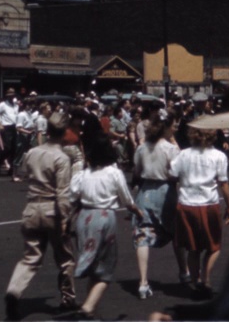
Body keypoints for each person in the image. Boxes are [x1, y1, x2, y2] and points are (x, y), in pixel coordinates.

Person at [4, 112, 78, 321]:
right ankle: (68, 298)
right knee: (65, 258)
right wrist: (65, 218)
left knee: (30, 257)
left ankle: (14, 291)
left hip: (31, 208)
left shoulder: (32, 152)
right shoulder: (62, 158)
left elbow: (26, 172)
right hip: (51, 209)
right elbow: (62, 192)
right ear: (64, 132)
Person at [68, 136, 144, 320]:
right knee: (106, 266)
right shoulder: (113, 173)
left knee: (92, 261)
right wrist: (138, 212)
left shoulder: (83, 174)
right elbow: (127, 200)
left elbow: (72, 197)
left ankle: (91, 307)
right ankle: (88, 307)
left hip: (84, 217)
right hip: (104, 217)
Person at [169, 127, 229, 300]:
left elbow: (172, 174)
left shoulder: (183, 155)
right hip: (208, 203)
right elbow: (224, 184)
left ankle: (196, 278)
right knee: (214, 246)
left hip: (187, 203)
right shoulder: (219, 156)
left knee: (193, 247)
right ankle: (206, 277)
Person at [132, 113, 189, 300]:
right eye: (174, 125)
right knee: (176, 233)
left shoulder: (142, 148)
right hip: (167, 191)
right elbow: (177, 171)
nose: (176, 128)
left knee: (142, 234)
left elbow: (137, 171)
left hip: (146, 191)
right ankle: (184, 272)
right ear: (166, 127)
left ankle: (142, 282)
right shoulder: (170, 149)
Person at [0, 88, 19, 176]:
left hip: (14, 127)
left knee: (14, 149)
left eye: (13, 95)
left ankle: (11, 168)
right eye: (10, 96)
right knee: (7, 148)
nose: (11, 97)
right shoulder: (3, 104)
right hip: (6, 127)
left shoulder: (15, 105)